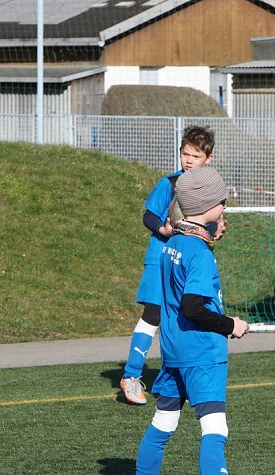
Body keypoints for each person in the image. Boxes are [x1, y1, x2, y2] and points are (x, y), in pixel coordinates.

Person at [126, 167, 265, 475]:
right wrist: (231, 324)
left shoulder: (171, 244)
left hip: (173, 352)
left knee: (163, 424)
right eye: (222, 201)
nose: (225, 207)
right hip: (202, 353)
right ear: (208, 206)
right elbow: (193, 307)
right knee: (215, 427)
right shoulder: (199, 253)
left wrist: (207, 235)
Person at [119, 126, 216, 404]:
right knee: (154, 314)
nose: (188, 160)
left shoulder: (210, 189)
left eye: (195, 156)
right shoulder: (170, 184)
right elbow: (148, 216)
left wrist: (214, 231)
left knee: (182, 318)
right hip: (161, 257)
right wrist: (163, 229)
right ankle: (131, 375)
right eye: (185, 154)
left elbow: (209, 224)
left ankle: (174, 377)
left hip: (188, 262)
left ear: (208, 159)